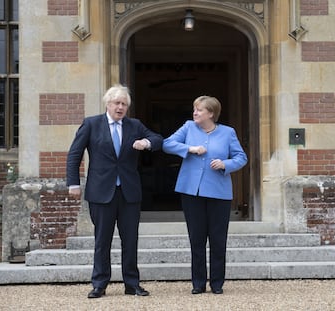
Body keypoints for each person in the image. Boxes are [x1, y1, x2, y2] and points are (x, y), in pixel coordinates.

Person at [66, 84, 163, 298]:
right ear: (108, 104)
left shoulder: (135, 125)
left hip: (129, 193)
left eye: (124, 104)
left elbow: (158, 140)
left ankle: (132, 284)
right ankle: (99, 284)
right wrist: (73, 184)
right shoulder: (92, 124)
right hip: (101, 193)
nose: (120, 107)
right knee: (102, 240)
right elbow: (74, 154)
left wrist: (146, 142)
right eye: (117, 103)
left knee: (130, 240)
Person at [162, 95, 247, 295]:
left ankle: (217, 284)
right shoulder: (188, 127)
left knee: (218, 239)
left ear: (211, 113)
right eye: (195, 109)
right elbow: (166, 144)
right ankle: (198, 283)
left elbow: (241, 157)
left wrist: (225, 164)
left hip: (219, 193)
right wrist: (189, 148)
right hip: (191, 192)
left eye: (199, 110)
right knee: (196, 239)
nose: (195, 113)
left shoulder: (228, 132)